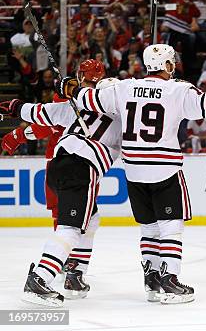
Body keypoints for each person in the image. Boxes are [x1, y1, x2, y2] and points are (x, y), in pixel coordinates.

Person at [66, 44, 206, 304]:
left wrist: (70, 87)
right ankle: (170, 280)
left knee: (149, 227)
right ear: (168, 65)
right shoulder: (178, 89)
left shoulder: (124, 87)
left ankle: (152, 280)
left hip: (134, 168)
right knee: (171, 227)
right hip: (164, 168)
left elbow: (88, 99)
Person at [0, 62, 122, 307]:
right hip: (81, 168)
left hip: (58, 163)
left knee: (91, 218)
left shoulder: (76, 105)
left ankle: (75, 274)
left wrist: (15, 107)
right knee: (71, 228)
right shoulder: (124, 119)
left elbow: (40, 113)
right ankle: (40, 278)